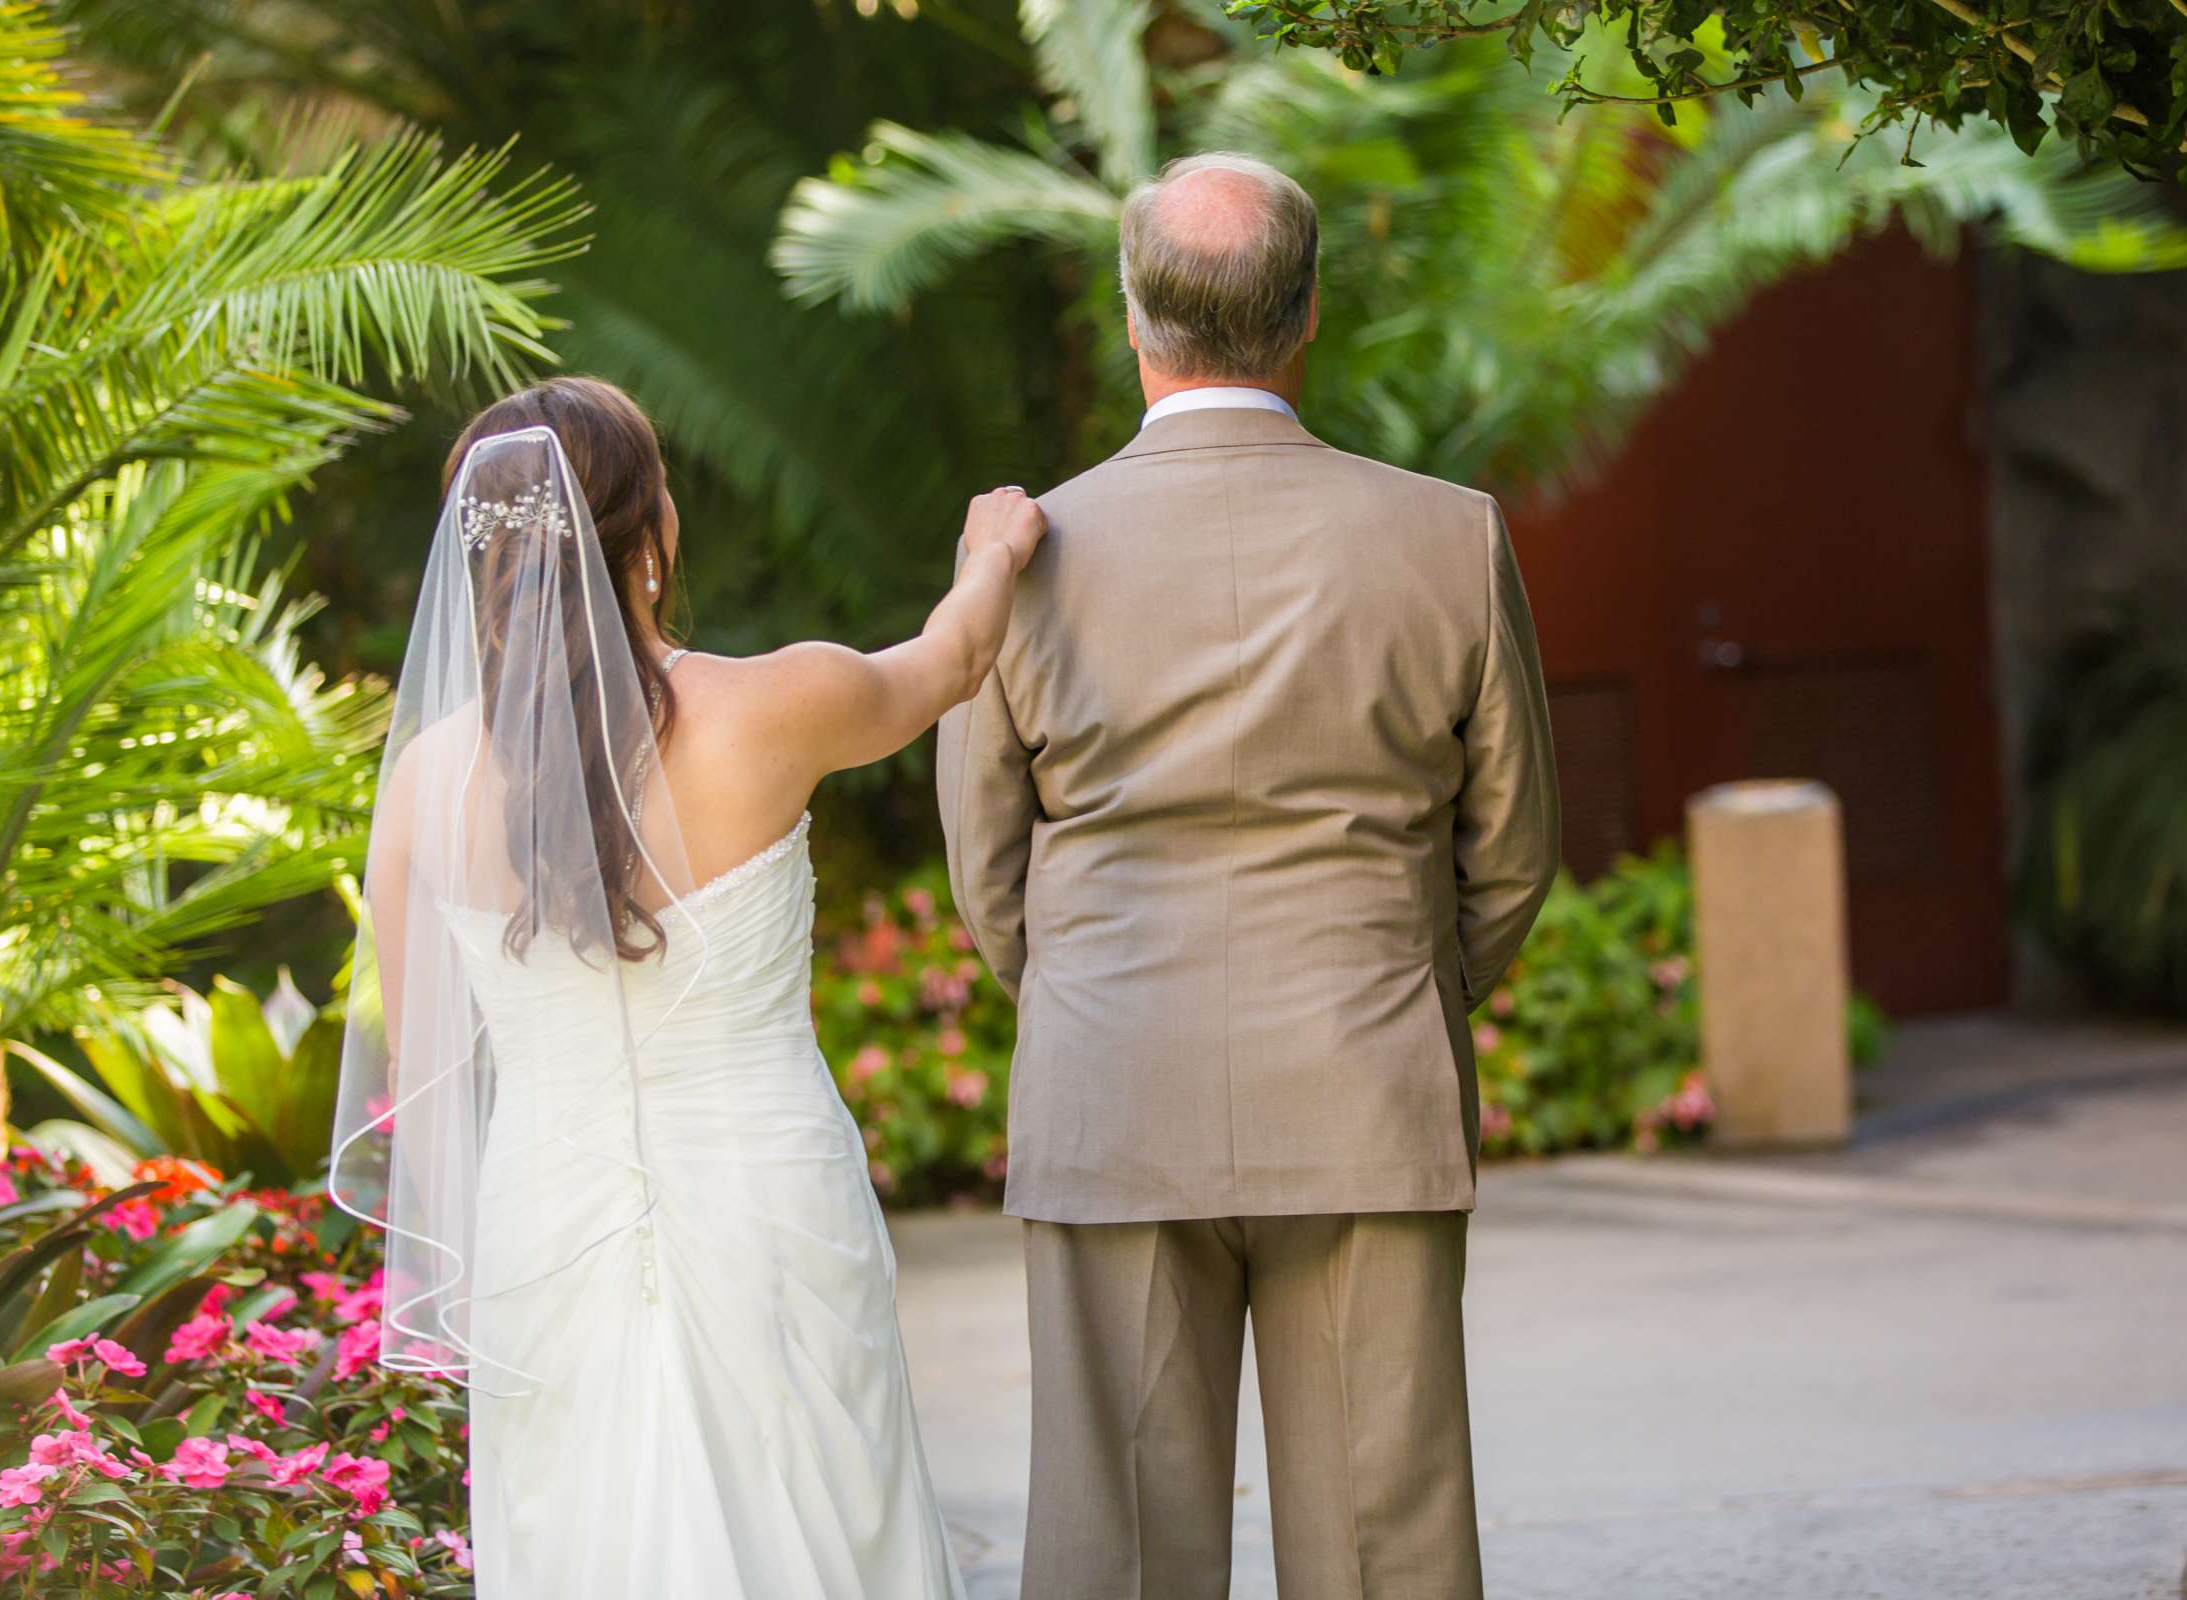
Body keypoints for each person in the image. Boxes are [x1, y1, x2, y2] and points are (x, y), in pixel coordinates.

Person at [938, 152, 1562, 1600]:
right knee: (1381, 1550)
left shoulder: (1021, 556)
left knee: (1120, 1558)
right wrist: (1398, 993)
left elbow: (986, 863)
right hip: (1365, 1077)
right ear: (1311, 316)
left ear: (1133, 321)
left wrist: (1089, 993)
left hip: (1113, 1085)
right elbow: (1514, 850)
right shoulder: (1447, 536)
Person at [330, 375, 1043, 1597]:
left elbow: (422, 1071)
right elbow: (953, 659)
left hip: (542, 1229)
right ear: (652, 543)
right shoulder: (781, 704)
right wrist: (993, 549)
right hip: (769, 1203)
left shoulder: (423, 790)